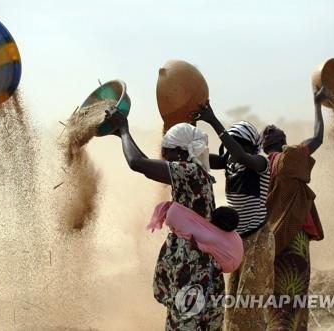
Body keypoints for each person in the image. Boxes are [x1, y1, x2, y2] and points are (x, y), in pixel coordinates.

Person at [107, 108, 228, 331]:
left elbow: (137, 163)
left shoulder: (190, 172)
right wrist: (122, 134)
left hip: (192, 272)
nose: (165, 158)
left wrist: (124, 129)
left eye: (168, 152)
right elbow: (143, 161)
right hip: (201, 269)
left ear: (182, 153)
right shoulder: (198, 171)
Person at [193, 102, 275, 330]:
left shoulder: (260, 163)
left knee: (251, 306)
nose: (229, 150)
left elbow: (239, 155)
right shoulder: (230, 162)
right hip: (237, 242)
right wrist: (189, 130)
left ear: (248, 145)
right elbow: (203, 159)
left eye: (235, 144)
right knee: (234, 301)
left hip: (258, 240)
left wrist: (213, 121)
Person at [261, 86, 327, 330]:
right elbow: (318, 137)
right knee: (294, 299)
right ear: (285, 143)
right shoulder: (289, 159)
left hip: (267, 241)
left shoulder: (255, 166)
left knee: (274, 301)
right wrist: (317, 104)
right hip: (293, 239)